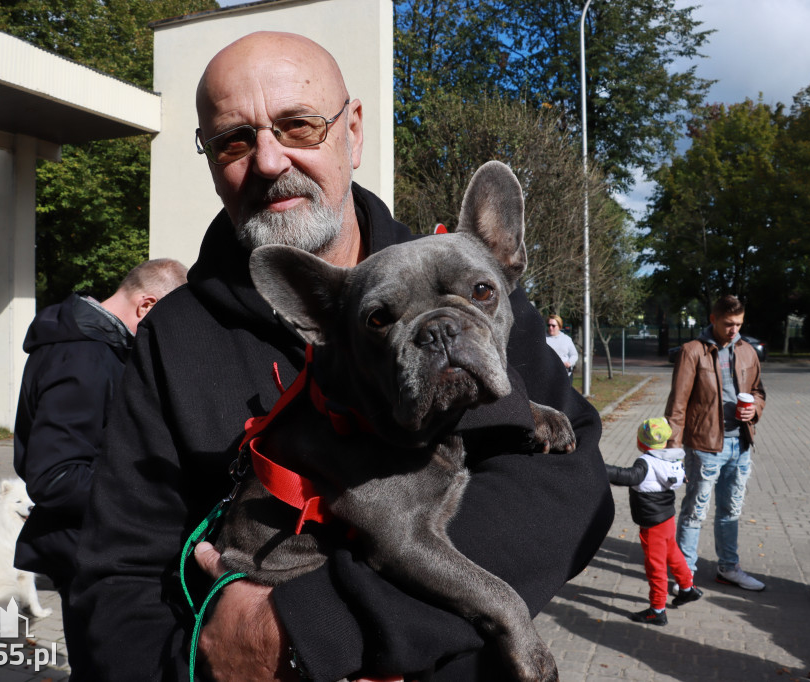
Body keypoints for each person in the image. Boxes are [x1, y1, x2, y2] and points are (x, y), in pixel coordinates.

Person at [71, 31, 613, 682]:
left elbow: (570, 491)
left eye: (298, 125)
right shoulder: (174, 335)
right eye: (234, 140)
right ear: (211, 159)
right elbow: (114, 582)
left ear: (352, 131)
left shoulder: (467, 281)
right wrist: (203, 658)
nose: (269, 160)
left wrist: (310, 628)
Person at [13, 258, 188, 674]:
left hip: (93, 545)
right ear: (146, 306)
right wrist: (152, 494)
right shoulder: (84, 355)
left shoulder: (92, 344)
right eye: (169, 321)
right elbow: (55, 476)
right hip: (90, 551)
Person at [666, 294, 766, 592]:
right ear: (713, 319)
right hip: (705, 445)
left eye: (738, 324)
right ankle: (685, 575)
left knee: (731, 509)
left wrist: (755, 409)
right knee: (695, 511)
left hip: (740, 443)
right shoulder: (693, 351)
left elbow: (759, 391)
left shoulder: (748, 351)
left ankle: (728, 568)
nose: (734, 329)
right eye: (728, 324)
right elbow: (678, 403)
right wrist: (672, 446)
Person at [606, 418, 702, 626]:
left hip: (652, 524)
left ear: (642, 442)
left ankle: (657, 610)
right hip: (666, 518)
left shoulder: (645, 463)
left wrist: (600, 469)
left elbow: (628, 476)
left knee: (655, 566)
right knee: (674, 554)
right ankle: (687, 588)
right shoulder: (673, 459)